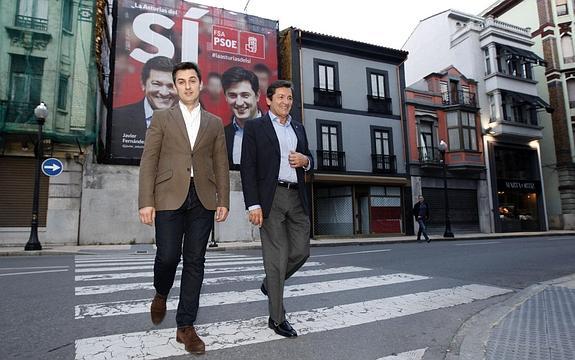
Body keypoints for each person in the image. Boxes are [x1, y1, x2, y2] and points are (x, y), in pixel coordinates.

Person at [138, 61, 230, 355]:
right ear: (175, 86)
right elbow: (149, 161)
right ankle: (161, 292)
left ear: (200, 84)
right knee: (167, 256)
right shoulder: (162, 118)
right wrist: (146, 201)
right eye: (181, 81)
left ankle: (185, 326)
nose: (187, 85)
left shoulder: (215, 123)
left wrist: (223, 200)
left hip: (202, 198)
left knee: (195, 261)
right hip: (168, 195)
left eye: (192, 80)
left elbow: (221, 165)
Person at [240, 80, 313, 338]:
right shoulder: (255, 127)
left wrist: (306, 161)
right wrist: (253, 204)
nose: (286, 102)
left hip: (297, 198)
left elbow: (309, 159)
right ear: (268, 100)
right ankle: (277, 318)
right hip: (270, 199)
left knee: (302, 251)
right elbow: (247, 167)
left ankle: (269, 284)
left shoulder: (299, 128)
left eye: (289, 98)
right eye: (281, 97)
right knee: (277, 258)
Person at [112, 56, 178, 159]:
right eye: (157, 84)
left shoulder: (189, 123)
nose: (164, 93)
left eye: (171, 86)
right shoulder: (118, 118)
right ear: (143, 84)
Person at [221, 66, 262, 169]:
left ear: (257, 95)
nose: (239, 103)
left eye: (245, 95)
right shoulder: (221, 135)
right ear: (225, 97)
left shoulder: (275, 129)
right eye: (232, 95)